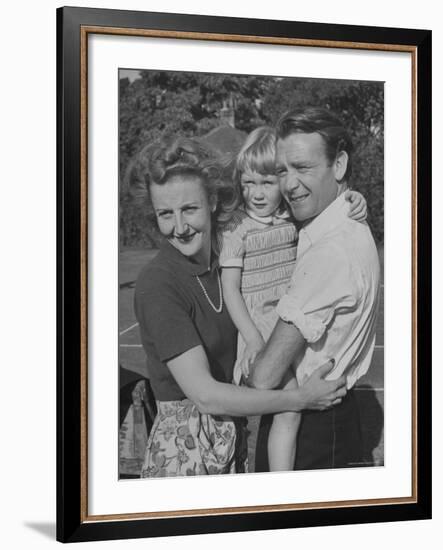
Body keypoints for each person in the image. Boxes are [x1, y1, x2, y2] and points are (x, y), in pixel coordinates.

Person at [132, 136, 348, 478]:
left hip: (229, 441)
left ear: (213, 200)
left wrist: (349, 198)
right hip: (184, 457)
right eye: (165, 214)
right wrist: (300, 399)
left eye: (189, 209)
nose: (180, 227)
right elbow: (205, 396)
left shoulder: (227, 260)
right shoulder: (158, 285)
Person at [218, 126, 367, 471]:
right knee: (287, 409)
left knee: (288, 411)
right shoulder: (235, 229)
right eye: (248, 183)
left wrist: (355, 198)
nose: (256, 193)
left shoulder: (291, 218)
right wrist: (254, 339)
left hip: (292, 321)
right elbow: (230, 290)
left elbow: (330, 213)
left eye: (267, 182)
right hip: (259, 328)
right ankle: (280, 486)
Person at [249, 108, 381, 472]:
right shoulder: (343, 225)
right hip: (330, 417)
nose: (289, 184)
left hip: (311, 428)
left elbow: (264, 377)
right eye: (281, 171)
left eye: (302, 168)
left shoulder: (331, 251)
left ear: (338, 165)